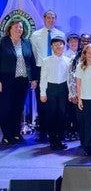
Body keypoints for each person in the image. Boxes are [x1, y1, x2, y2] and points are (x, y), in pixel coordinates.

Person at [0, 19, 38, 145]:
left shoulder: (26, 42)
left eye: (21, 27)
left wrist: (33, 78)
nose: (19, 29)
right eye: (16, 27)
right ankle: (7, 135)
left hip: (22, 80)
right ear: (9, 29)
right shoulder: (3, 42)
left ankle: (16, 134)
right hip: (6, 79)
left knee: (18, 108)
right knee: (6, 108)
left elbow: (31, 61)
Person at [30, 10, 65, 142]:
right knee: (42, 102)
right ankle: (43, 132)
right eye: (48, 18)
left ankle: (57, 133)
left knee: (57, 105)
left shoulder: (61, 35)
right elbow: (33, 56)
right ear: (44, 19)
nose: (51, 20)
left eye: (53, 18)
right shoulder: (35, 35)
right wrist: (33, 77)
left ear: (55, 19)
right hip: (40, 69)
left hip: (56, 70)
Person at [39, 36, 69, 150]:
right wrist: (43, 92)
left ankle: (60, 139)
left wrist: (71, 93)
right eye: (55, 44)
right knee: (51, 115)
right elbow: (43, 77)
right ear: (51, 47)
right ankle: (52, 140)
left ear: (64, 46)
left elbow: (69, 79)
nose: (58, 46)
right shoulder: (46, 61)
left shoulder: (67, 60)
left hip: (63, 89)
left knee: (62, 115)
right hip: (51, 88)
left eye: (60, 44)